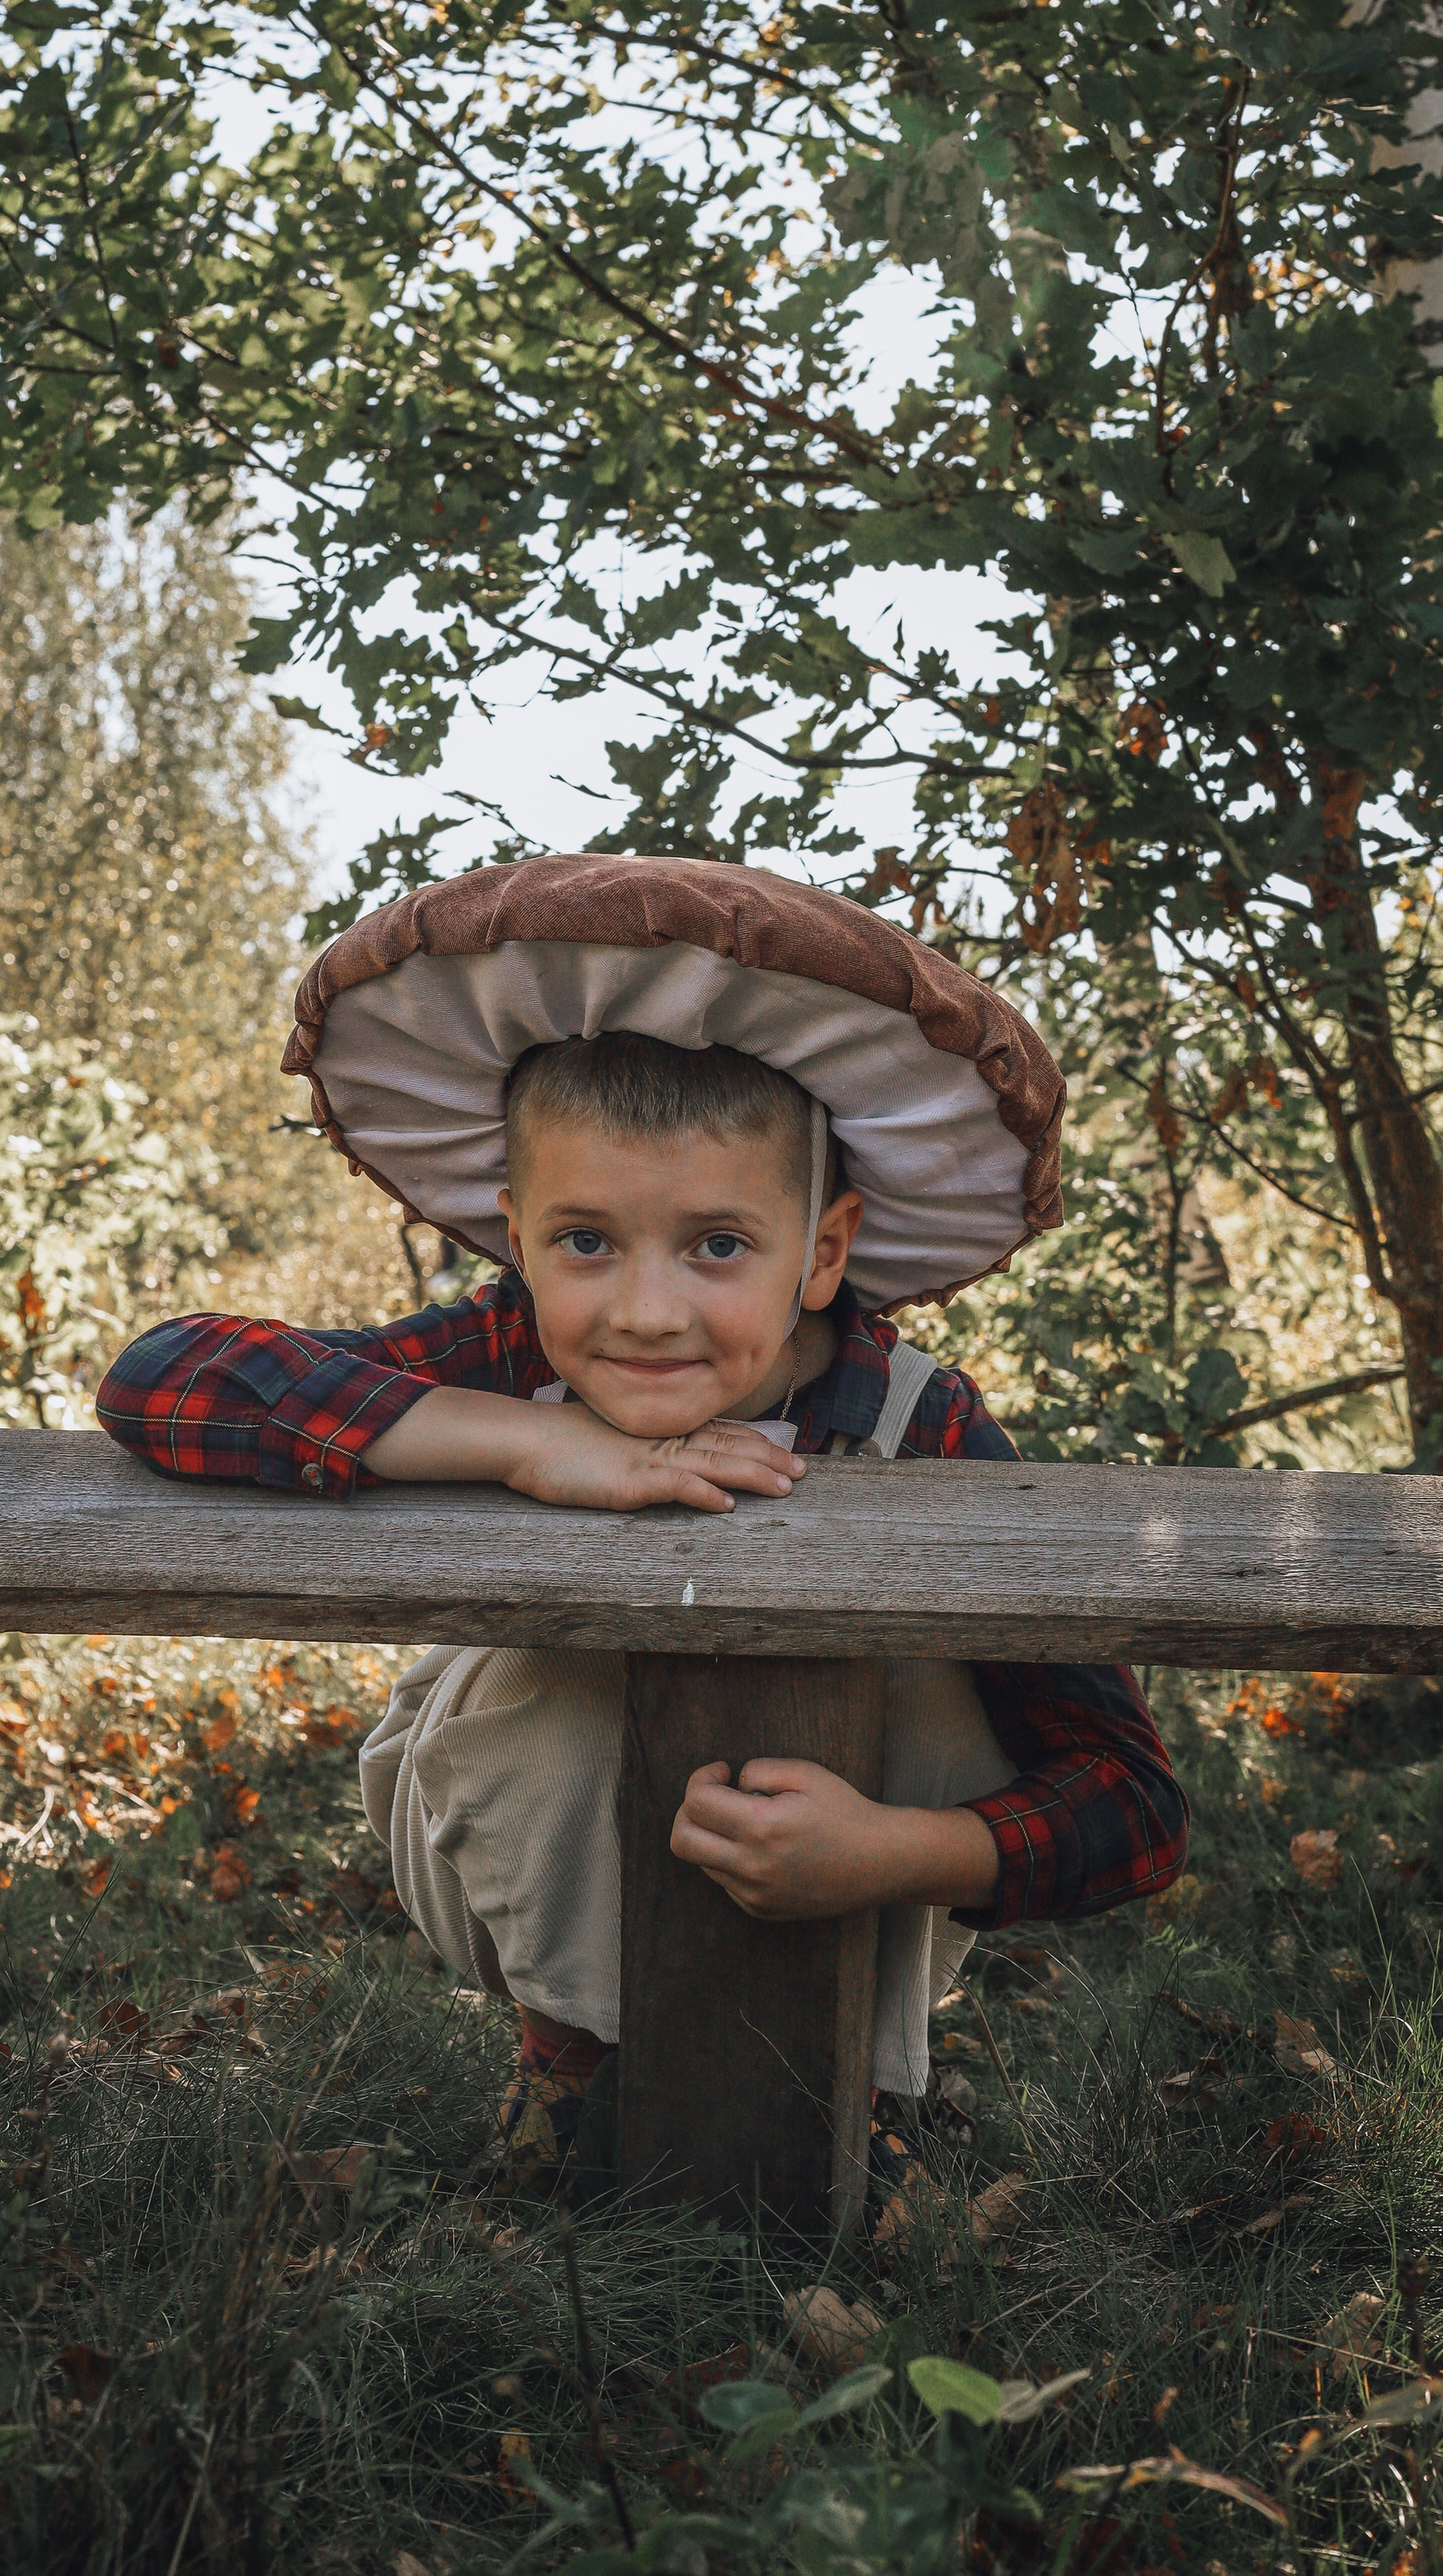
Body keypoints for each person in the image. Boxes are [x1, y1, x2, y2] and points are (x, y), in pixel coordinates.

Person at [97, 853, 1188, 2181]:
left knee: (942, 1681)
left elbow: (1132, 1805)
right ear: (517, 1234)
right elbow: (166, 1379)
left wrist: (886, 1852)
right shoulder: (512, 1355)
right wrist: (529, 1440)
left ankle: (856, 2081)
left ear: (824, 1252)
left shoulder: (921, 1427)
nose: (646, 1312)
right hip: (492, 1827)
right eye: (586, 1242)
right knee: (574, 1700)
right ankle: (569, 2067)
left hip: (845, 1859)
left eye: (719, 1246)